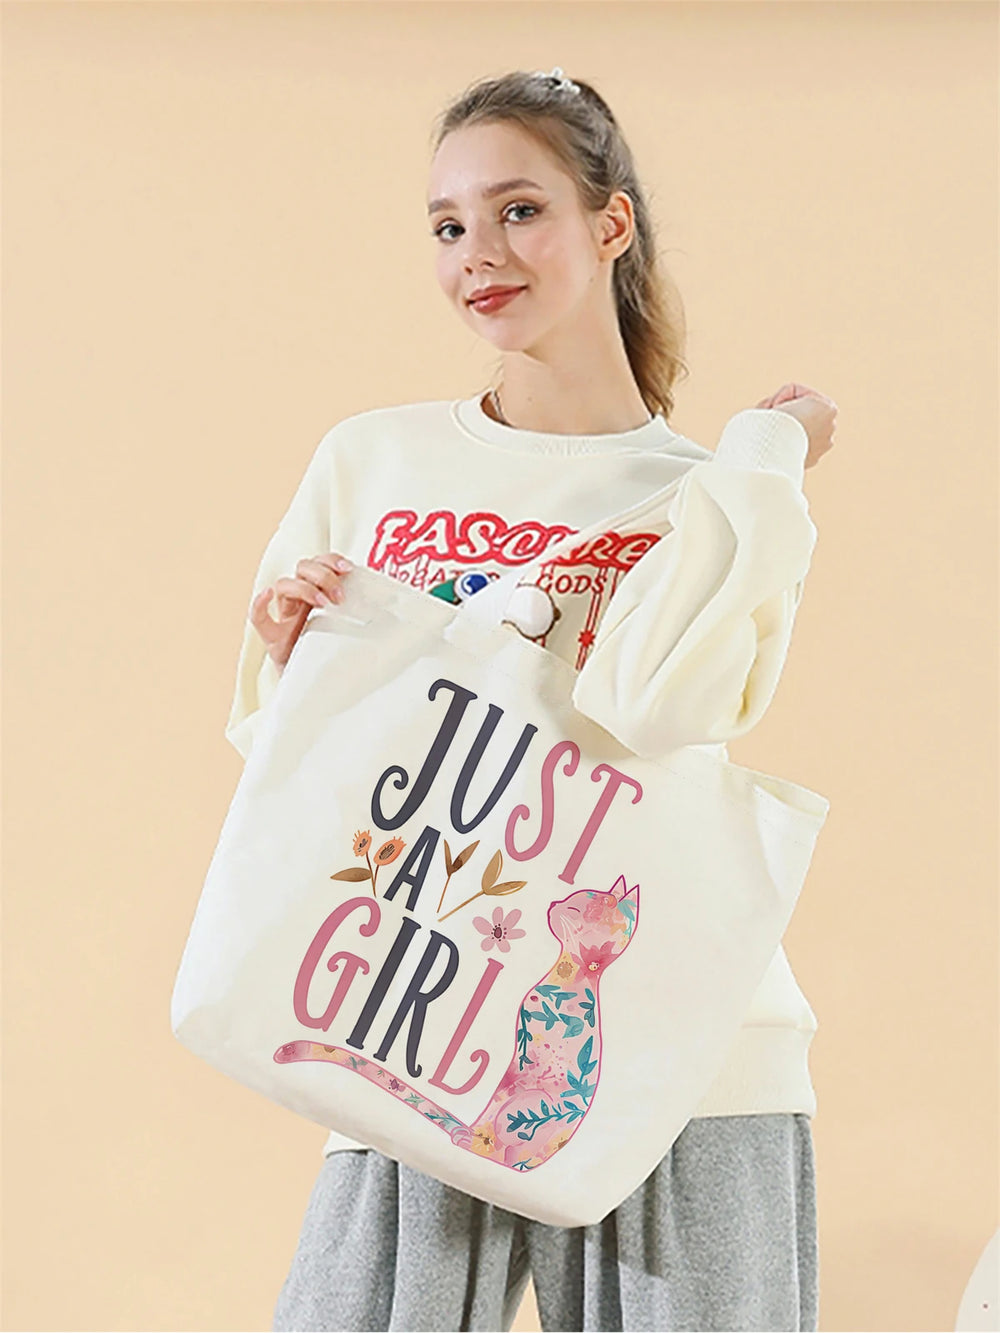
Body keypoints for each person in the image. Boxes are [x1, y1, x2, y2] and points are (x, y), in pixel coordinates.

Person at [225, 66, 837, 1333]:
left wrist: (765, 459)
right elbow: (297, 777)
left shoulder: (706, 490)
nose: (476, 255)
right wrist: (294, 665)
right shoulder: (373, 459)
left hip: (683, 1042)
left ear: (608, 223)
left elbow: (668, 711)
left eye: (518, 211)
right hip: (420, 1007)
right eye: (448, 225)